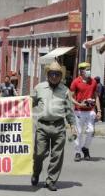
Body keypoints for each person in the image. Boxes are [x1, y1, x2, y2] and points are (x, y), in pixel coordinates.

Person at [31, 61, 76, 191]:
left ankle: (51, 180)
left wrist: (72, 125)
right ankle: (36, 172)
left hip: (59, 127)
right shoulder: (39, 87)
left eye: (57, 74)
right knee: (39, 154)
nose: (54, 76)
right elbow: (29, 103)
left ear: (61, 76)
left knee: (57, 155)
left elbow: (68, 110)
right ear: (48, 74)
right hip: (42, 126)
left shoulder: (65, 90)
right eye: (52, 73)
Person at [70, 62, 101, 162]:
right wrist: (78, 104)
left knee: (91, 131)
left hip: (90, 111)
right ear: (81, 71)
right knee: (78, 132)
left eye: (89, 69)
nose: (88, 71)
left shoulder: (93, 82)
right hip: (79, 111)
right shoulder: (76, 82)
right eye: (86, 69)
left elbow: (96, 96)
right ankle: (77, 152)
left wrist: (99, 110)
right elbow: (70, 96)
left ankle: (85, 148)